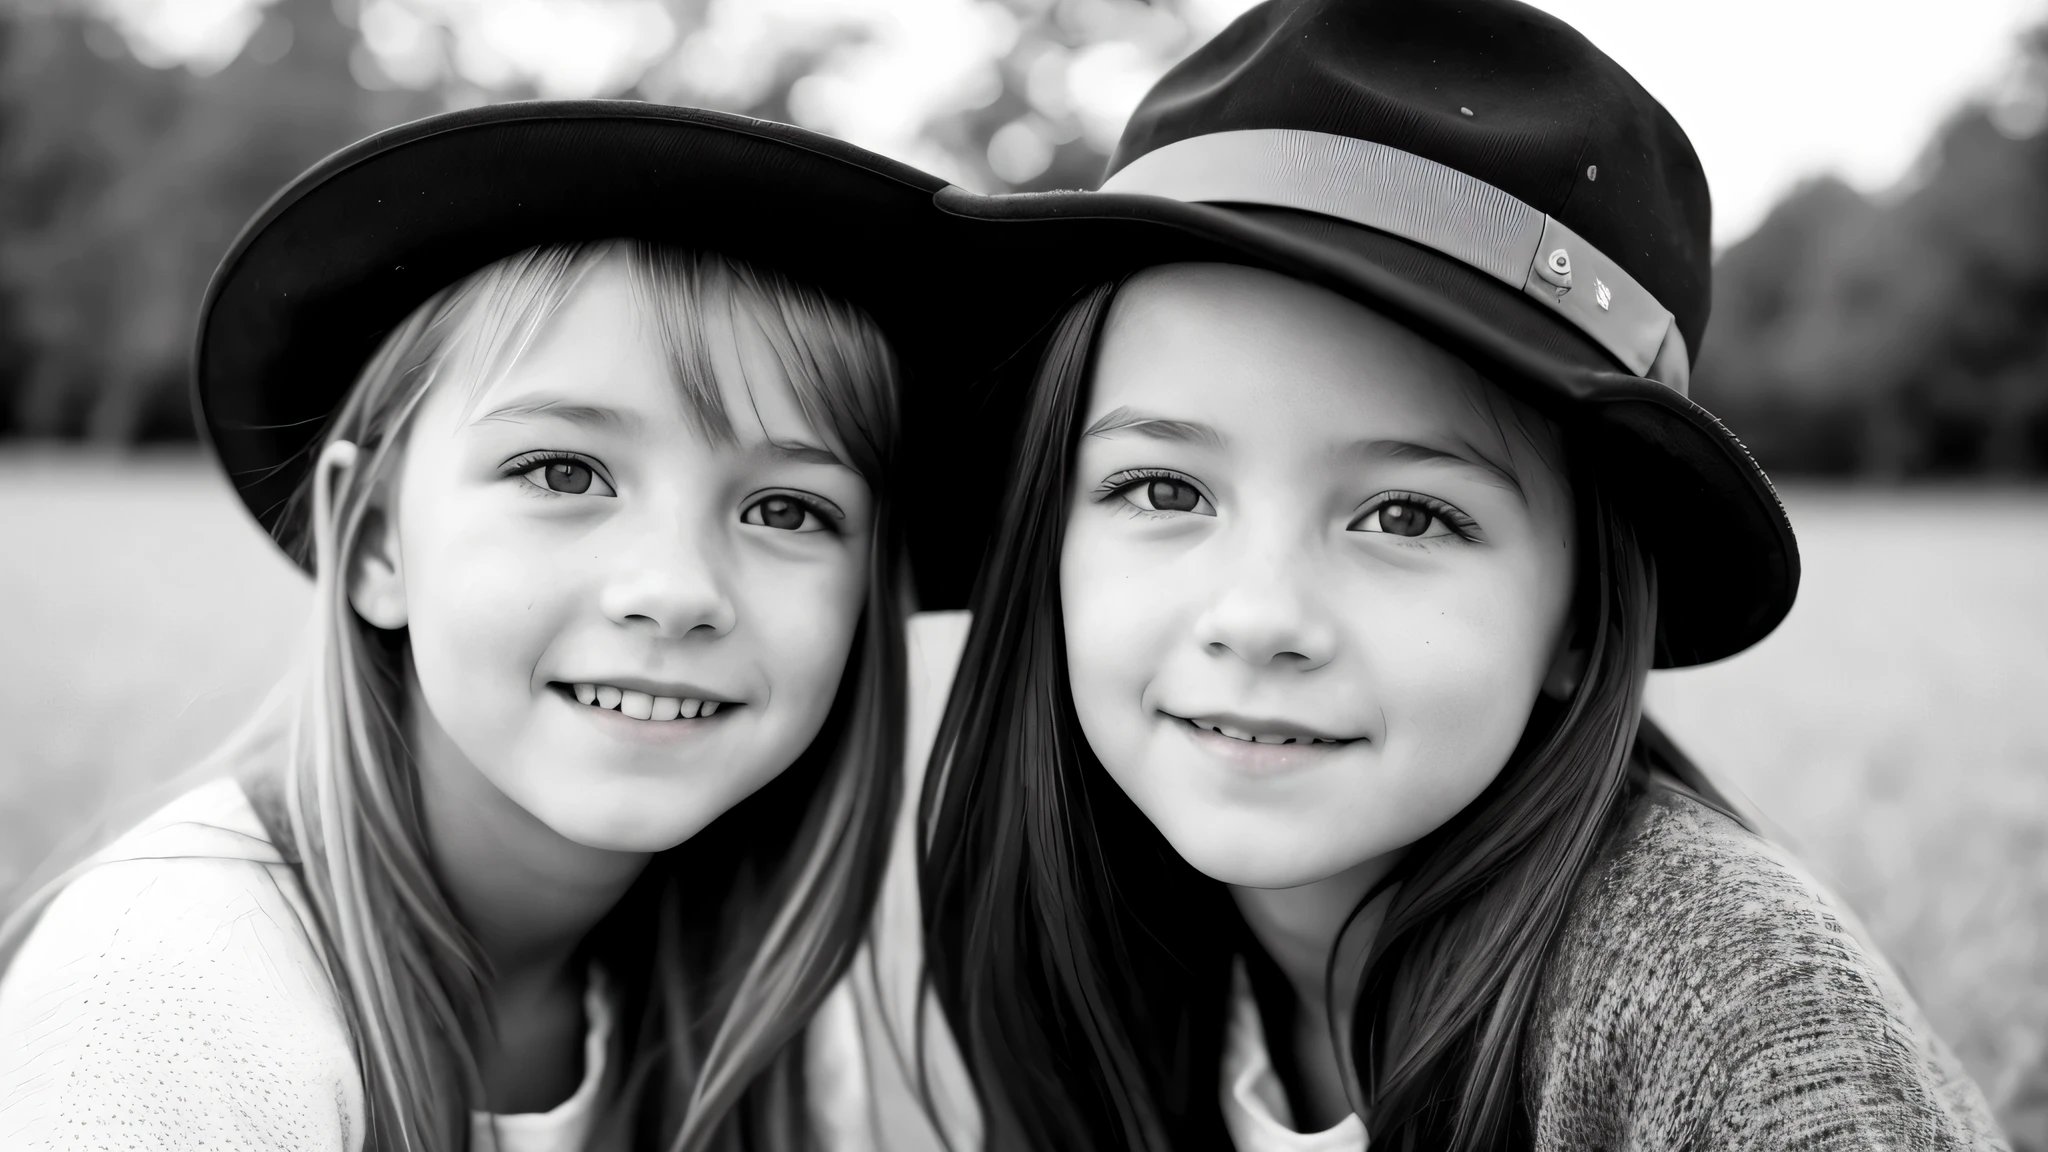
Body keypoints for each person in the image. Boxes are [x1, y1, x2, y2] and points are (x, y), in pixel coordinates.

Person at [913, 1, 2011, 1149]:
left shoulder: (1731, 1014)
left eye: (1404, 514)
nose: (1257, 618)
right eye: (1163, 491)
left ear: (1583, 620)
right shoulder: (1074, 944)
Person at [0, 101, 1033, 1152]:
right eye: (563, 472)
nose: (675, 590)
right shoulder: (166, 1010)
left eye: (786, 510)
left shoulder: (756, 989)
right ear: (375, 545)